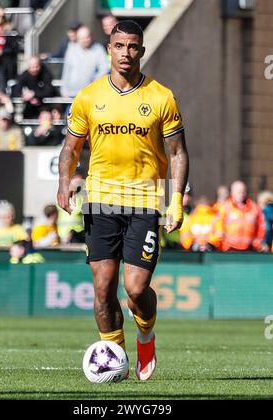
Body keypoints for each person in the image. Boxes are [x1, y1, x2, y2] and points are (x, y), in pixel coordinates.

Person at [57, 20, 189, 381]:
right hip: (100, 201)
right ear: (109, 48)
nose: (126, 53)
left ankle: (145, 336)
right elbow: (71, 148)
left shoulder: (161, 96)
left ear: (141, 51)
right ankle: (114, 356)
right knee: (102, 289)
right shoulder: (88, 96)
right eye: (120, 46)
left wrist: (175, 199)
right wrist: (64, 181)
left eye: (133, 47)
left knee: (135, 289)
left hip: (146, 201)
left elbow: (177, 152)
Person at [60, 25, 109, 99]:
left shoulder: (98, 49)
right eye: (82, 38)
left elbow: (105, 68)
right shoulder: (71, 49)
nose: (85, 40)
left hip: (90, 94)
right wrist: (63, 90)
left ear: (91, 36)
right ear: (78, 38)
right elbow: (66, 70)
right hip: (71, 94)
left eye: (87, 37)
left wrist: (95, 80)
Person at [220, 181, 266, 252]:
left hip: (250, 249)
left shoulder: (254, 208)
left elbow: (261, 226)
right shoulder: (225, 207)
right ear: (232, 192)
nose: (241, 194)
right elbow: (218, 225)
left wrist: (257, 242)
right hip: (229, 249)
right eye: (238, 192)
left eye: (243, 191)